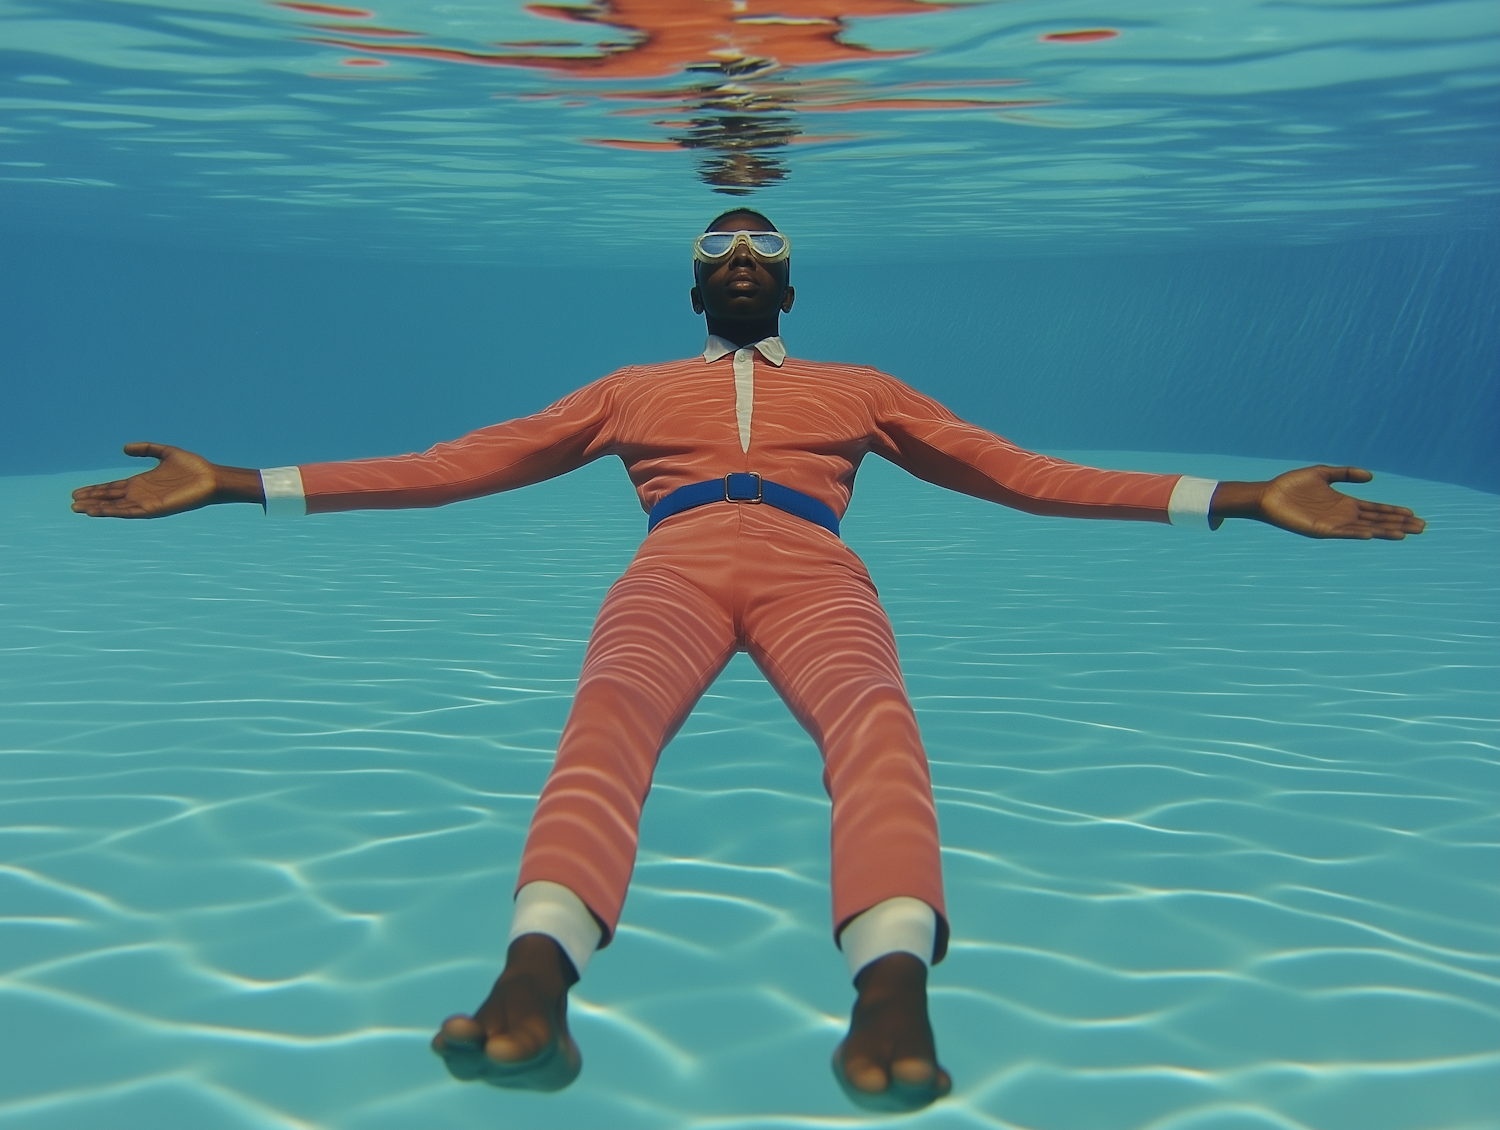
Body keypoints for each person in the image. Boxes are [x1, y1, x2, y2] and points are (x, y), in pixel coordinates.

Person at [71, 209, 1426, 1112]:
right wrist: (242, 481)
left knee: (874, 729)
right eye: (718, 241)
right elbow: (452, 467)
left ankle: (891, 984)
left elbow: (1026, 475)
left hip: (813, 565)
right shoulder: (626, 389)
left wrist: (1241, 496)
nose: (738, 253)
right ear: (691, 282)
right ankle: (533, 972)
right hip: (667, 563)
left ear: (788, 279)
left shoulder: (862, 388)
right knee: (605, 728)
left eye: (760, 242)